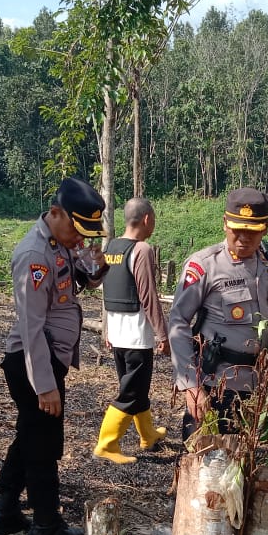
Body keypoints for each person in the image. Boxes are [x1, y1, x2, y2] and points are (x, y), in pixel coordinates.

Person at [0, 177, 109, 535]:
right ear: (55, 212)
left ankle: (5, 510)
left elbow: (76, 283)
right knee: (43, 445)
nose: (80, 238)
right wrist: (46, 385)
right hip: (33, 363)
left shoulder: (59, 243)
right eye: (77, 229)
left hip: (48, 359)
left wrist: (94, 267)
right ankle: (45, 523)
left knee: (31, 435)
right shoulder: (34, 255)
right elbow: (31, 326)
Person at [168, 188, 268, 439]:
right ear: (225, 223)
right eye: (237, 229)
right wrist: (191, 385)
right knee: (206, 467)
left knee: (244, 467)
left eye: (252, 230)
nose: (243, 238)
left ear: (265, 228)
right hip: (214, 385)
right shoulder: (204, 265)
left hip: (257, 386)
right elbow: (178, 321)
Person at [92, 197, 169, 464]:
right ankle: (107, 443)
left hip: (118, 333)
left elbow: (107, 292)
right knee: (131, 392)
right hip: (137, 335)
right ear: (147, 219)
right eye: (154, 220)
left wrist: (106, 330)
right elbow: (148, 297)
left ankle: (147, 434)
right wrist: (162, 334)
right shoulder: (142, 250)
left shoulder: (112, 247)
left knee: (137, 387)